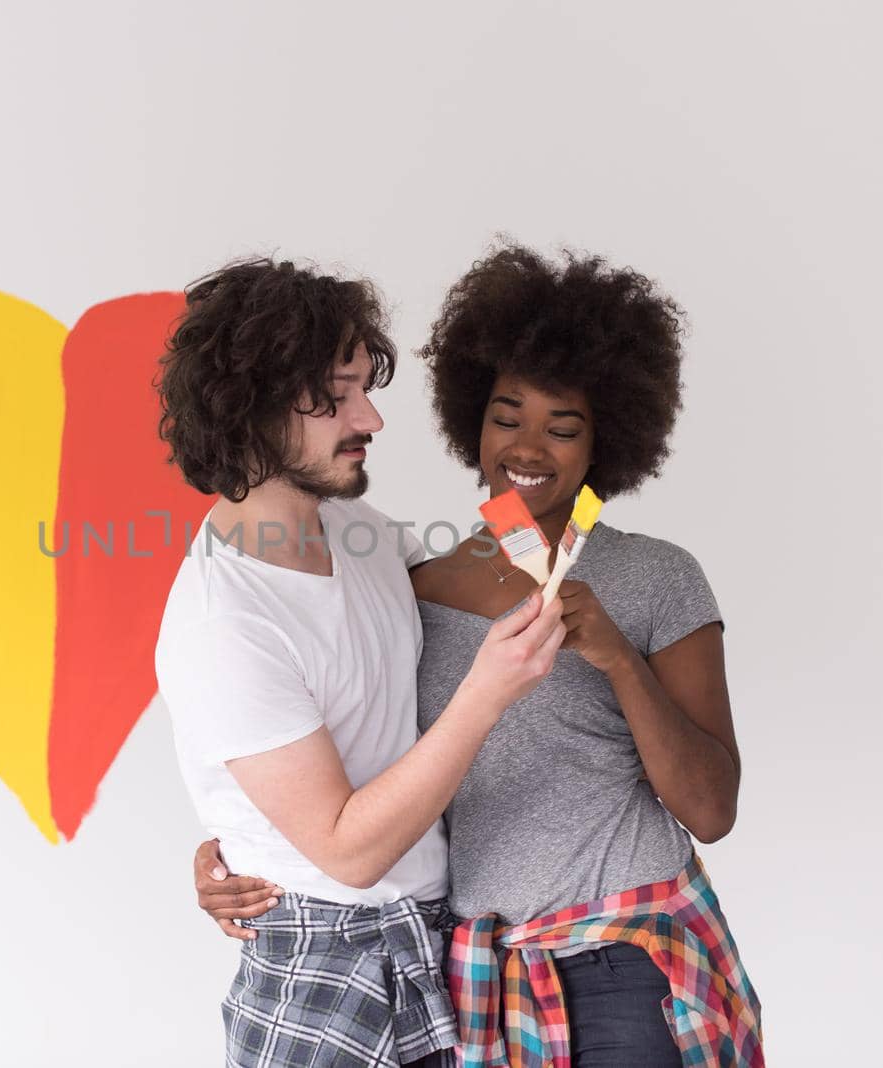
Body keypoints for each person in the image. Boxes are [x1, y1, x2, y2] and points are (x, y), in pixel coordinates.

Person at [194, 245, 763, 1067]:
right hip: (475, 982)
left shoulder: (657, 577)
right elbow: (348, 756)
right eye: (507, 417)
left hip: (626, 962)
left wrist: (615, 658)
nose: (528, 447)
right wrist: (234, 857)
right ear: (473, 422)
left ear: (605, 441)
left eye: (563, 427)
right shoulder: (409, 582)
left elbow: (713, 809)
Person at [153, 256, 568, 1068]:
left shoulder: (354, 526)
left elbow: (473, 578)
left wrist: (555, 478)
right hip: (325, 973)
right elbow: (346, 849)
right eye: (338, 395)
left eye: (363, 389)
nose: (371, 418)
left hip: (428, 945)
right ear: (254, 411)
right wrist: (486, 695)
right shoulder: (224, 621)